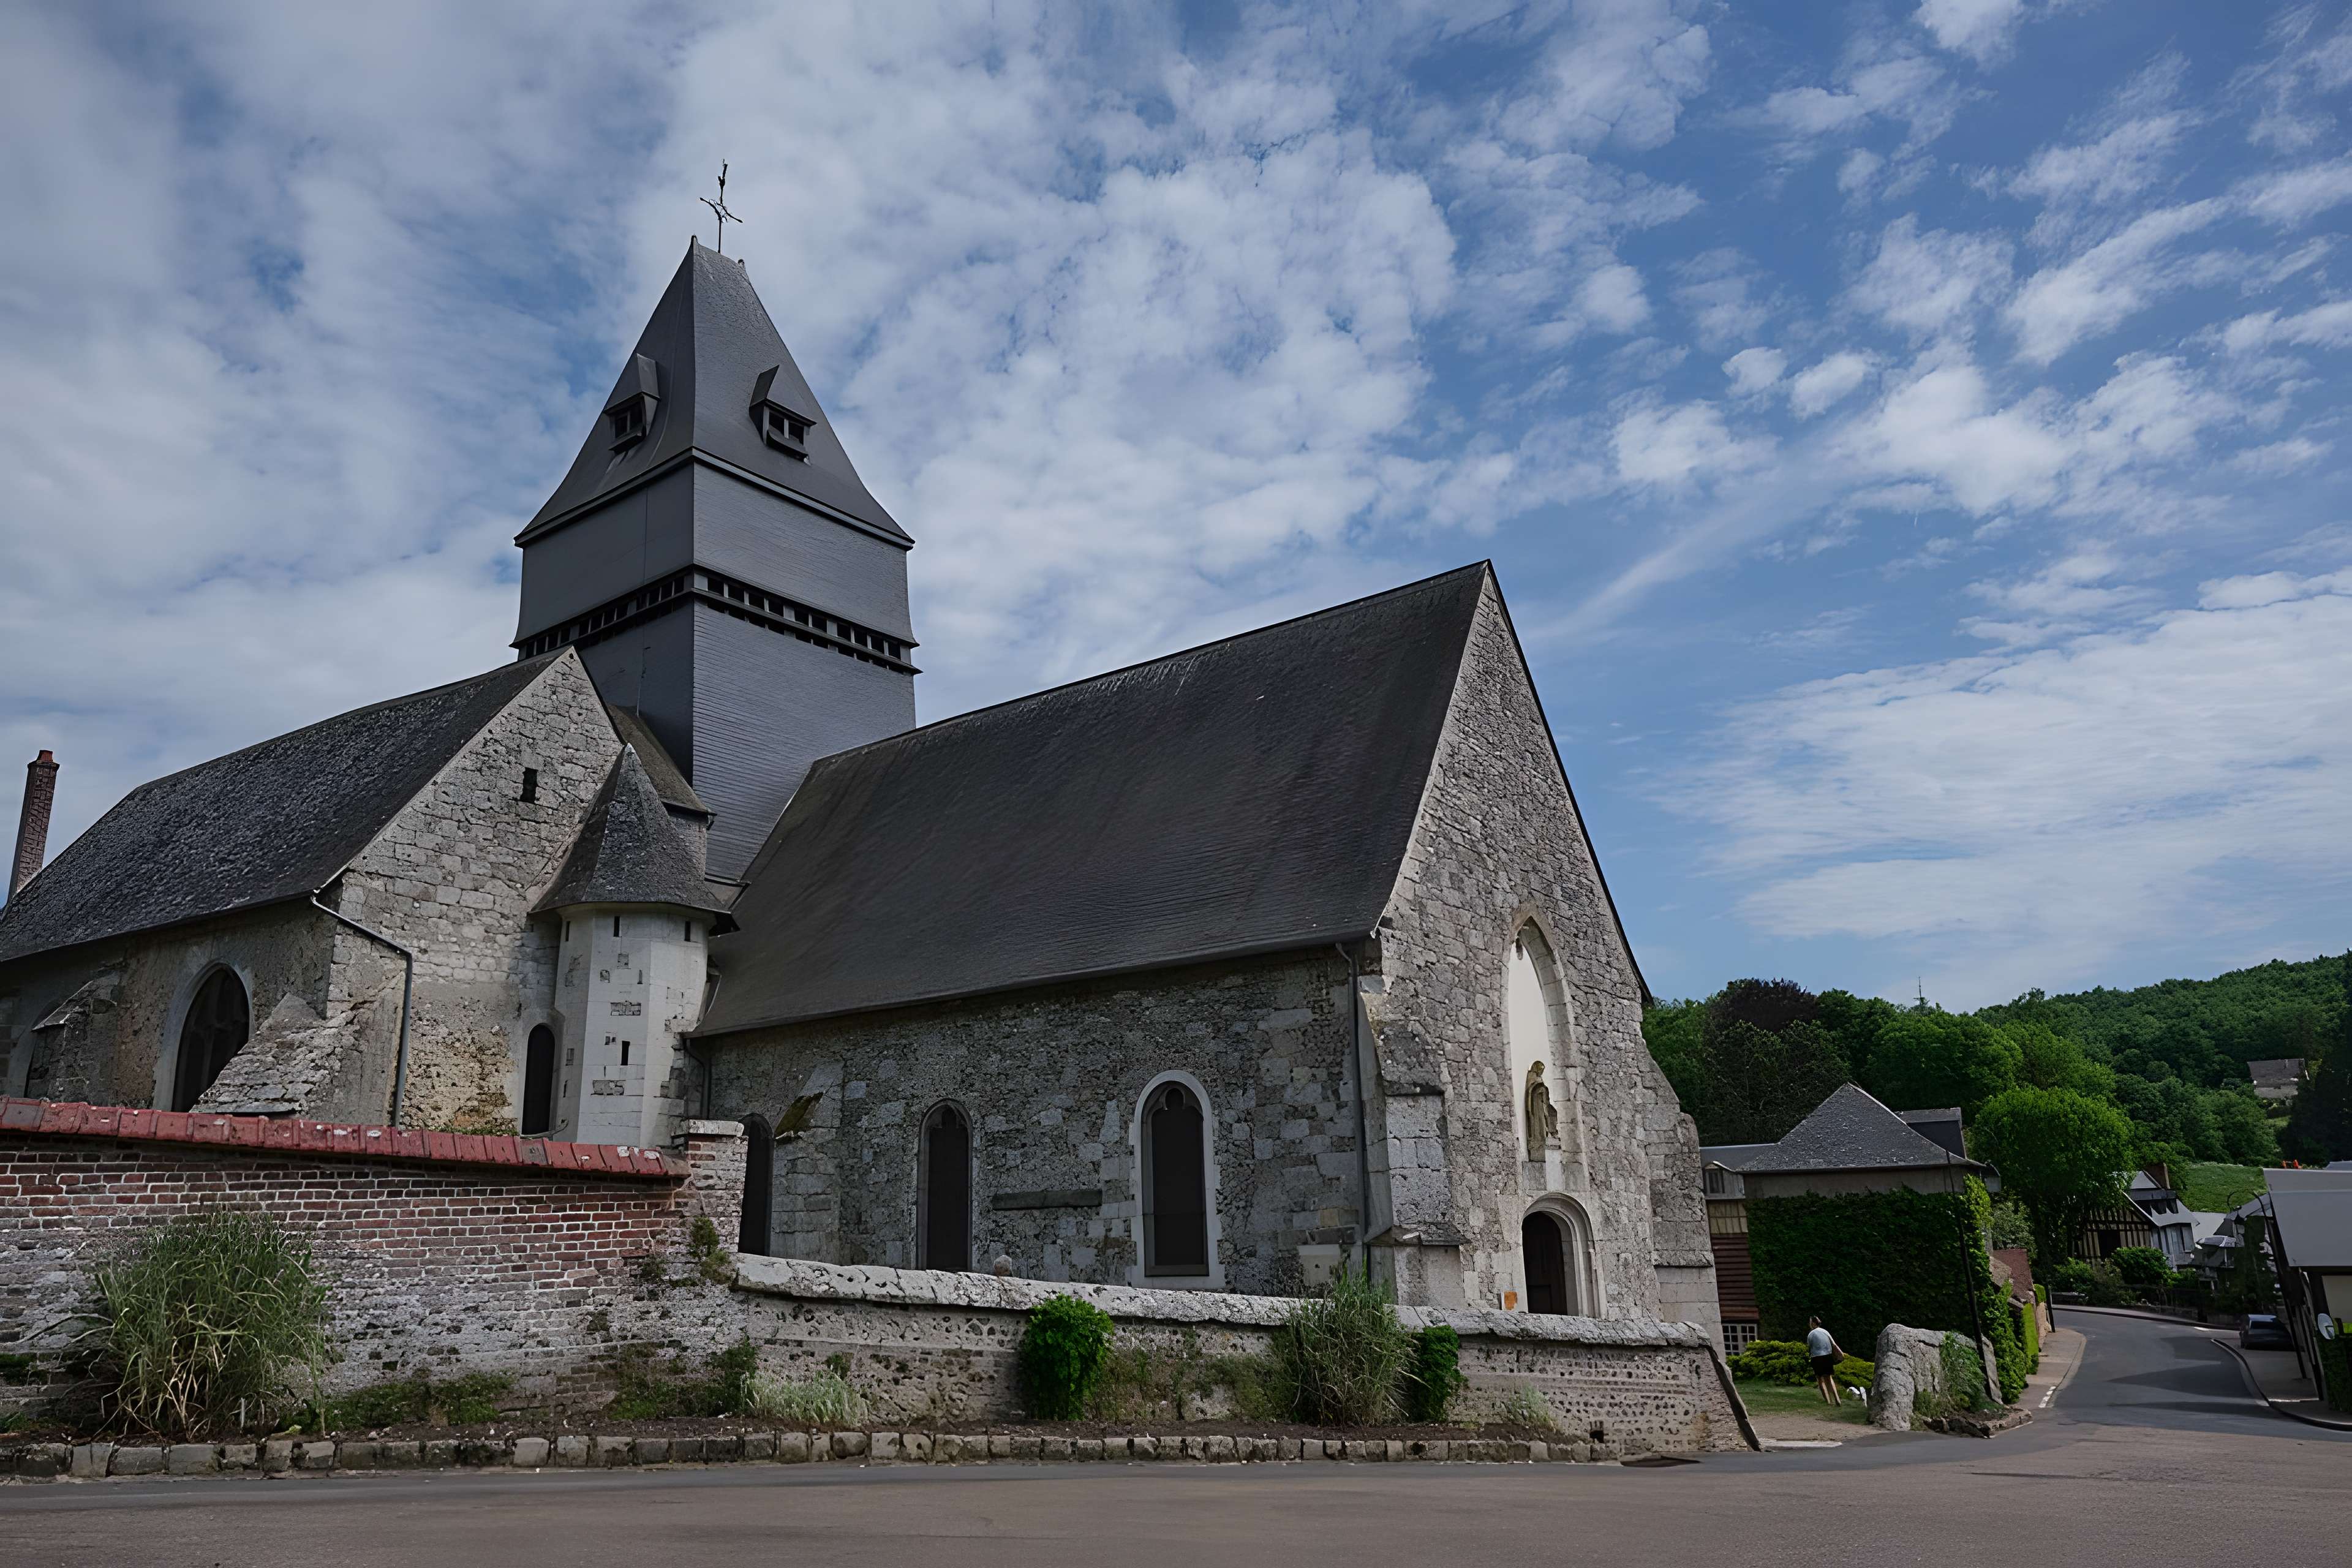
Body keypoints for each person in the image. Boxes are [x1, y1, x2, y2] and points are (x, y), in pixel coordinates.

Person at [1805, 1316, 1847, 1405]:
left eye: (1810, 1322)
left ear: (1813, 1323)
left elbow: (1809, 1347)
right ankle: (1837, 1400)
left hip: (1816, 1358)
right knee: (1829, 1377)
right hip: (1827, 1357)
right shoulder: (1825, 1331)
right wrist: (1840, 1354)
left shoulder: (1811, 1334)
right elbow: (1834, 1344)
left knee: (1820, 1379)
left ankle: (1828, 1401)